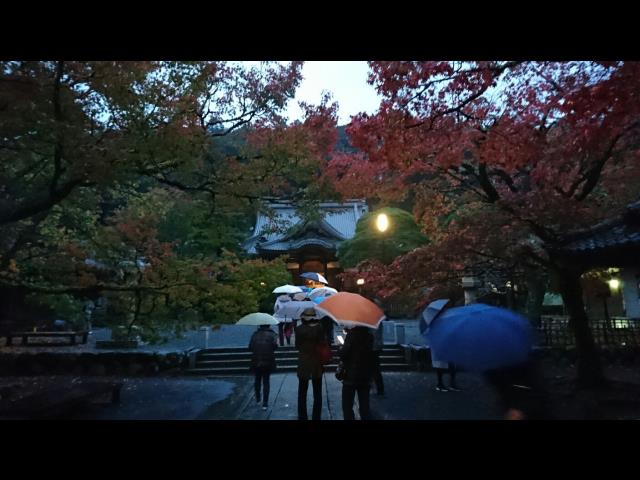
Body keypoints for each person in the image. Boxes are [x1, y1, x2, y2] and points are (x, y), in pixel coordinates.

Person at [295, 307, 326, 420]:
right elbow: (323, 343)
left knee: (302, 392)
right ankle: (316, 416)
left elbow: (297, 346)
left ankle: (302, 416)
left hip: (304, 362)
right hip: (316, 362)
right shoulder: (320, 328)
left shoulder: (299, 329)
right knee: (317, 393)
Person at [340, 326, 375, 420]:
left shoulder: (351, 335)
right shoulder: (369, 336)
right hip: (365, 376)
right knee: (365, 407)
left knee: (347, 406)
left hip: (350, 376)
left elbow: (344, 354)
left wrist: (340, 348)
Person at [248, 324, 278, 411]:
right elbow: (275, 347)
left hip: (256, 361)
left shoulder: (255, 334)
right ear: (268, 325)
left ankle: (258, 399)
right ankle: (265, 403)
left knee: (257, 380)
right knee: (266, 381)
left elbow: (250, 347)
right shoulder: (272, 334)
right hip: (268, 361)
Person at [371, 321, 384, 396]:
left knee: (375, 369)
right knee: (375, 369)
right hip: (376, 347)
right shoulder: (378, 320)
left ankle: (379, 389)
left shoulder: (373, 322)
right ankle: (379, 389)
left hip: (372, 347)